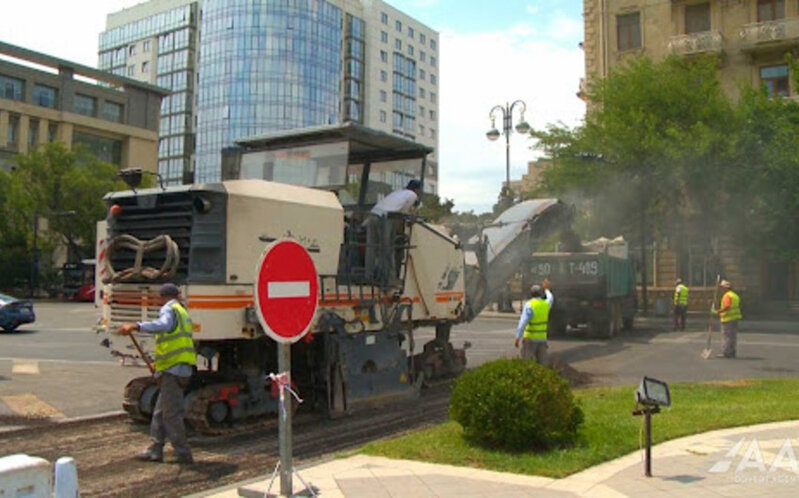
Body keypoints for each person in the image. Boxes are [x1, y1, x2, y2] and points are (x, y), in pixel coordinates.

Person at [117, 282, 196, 464]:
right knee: (160, 412)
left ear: (163, 297)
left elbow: (163, 325)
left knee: (171, 414)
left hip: (173, 370)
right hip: (177, 368)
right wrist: (159, 366)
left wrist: (136, 326)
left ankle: (183, 453)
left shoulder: (169, 309)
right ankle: (155, 448)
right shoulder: (182, 311)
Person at [363, 179, 422, 284]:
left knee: (371, 247)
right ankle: (389, 279)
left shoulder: (397, 192)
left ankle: (368, 276)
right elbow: (404, 213)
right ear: (417, 190)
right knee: (387, 248)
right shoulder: (412, 195)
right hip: (386, 218)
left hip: (373, 215)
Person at [514, 284, 554, 365]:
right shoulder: (545, 304)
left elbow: (523, 323)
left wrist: (518, 337)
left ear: (531, 294)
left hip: (530, 339)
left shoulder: (529, 305)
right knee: (543, 364)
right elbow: (551, 298)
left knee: (527, 363)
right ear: (541, 294)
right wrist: (547, 289)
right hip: (542, 339)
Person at [714, 279, 742, 358]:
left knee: (726, 336)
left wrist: (718, 312)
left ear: (725, 288)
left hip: (728, 318)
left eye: (722, 288)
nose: (721, 289)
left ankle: (726, 352)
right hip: (734, 318)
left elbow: (727, 306)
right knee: (732, 336)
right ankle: (732, 351)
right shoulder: (734, 295)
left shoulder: (727, 296)